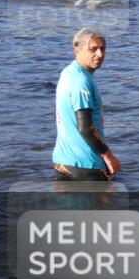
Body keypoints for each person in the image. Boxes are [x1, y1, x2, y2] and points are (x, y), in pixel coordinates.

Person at [54, 28, 121, 181]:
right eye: (93, 49)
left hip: (63, 163)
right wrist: (109, 156)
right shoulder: (81, 82)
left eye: (102, 48)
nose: (100, 54)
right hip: (86, 166)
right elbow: (85, 128)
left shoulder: (68, 73)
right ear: (76, 50)